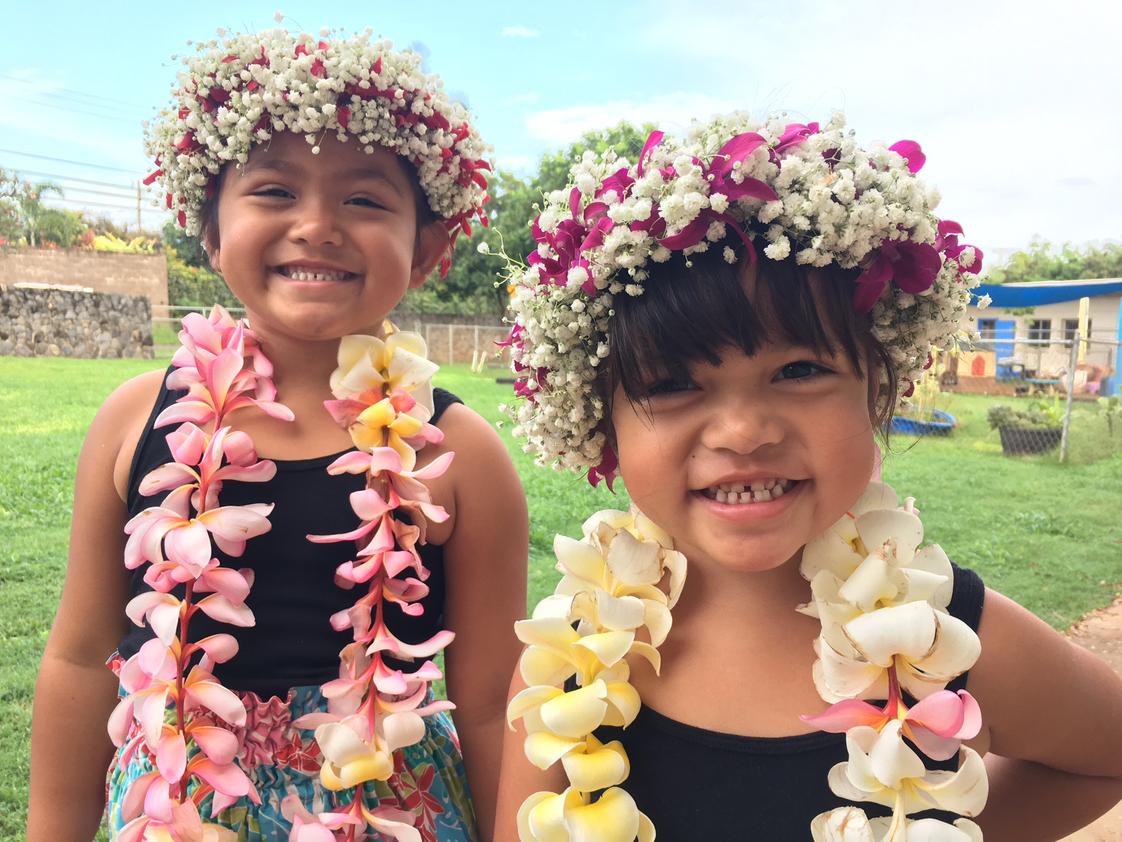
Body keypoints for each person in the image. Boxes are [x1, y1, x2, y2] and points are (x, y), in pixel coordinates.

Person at [497, 114, 1122, 840]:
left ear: (879, 388)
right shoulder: (570, 658)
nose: (742, 432)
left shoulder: (949, 636)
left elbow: (1104, 755)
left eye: (799, 371)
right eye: (671, 384)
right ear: (602, 422)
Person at [28, 25, 527, 842]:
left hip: (384, 806)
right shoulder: (134, 419)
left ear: (429, 247)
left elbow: (488, 699)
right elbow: (81, 659)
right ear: (210, 229)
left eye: (365, 199)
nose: (317, 226)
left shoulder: (459, 455)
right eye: (273, 191)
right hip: (177, 800)